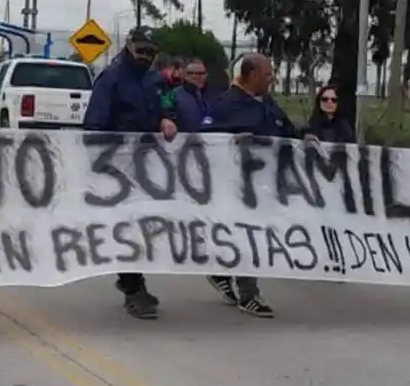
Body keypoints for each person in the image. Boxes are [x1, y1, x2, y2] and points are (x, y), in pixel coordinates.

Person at [81, 27, 178, 319]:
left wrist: (166, 119)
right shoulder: (111, 79)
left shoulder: (152, 79)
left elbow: (166, 105)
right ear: (129, 46)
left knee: (145, 227)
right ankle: (133, 288)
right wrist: (103, 164)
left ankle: (133, 282)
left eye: (151, 52)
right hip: (118, 169)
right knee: (129, 228)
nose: (146, 57)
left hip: (147, 166)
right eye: (142, 51)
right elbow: (94, 125)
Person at [198, 53, 298, 317]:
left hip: (266, 186)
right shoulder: (226, 104)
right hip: (237, 188)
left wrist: (307, 137)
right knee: (248, 236)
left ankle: (220, 272)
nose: (273, 79)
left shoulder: (268, 103)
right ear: (252, 75)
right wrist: (231, 140)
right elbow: (203, 139)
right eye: (268, 74)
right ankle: (248, 294)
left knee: (253, 236)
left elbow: (288, 132)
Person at [171, 57, 210, 133]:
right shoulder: (175, 95)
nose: (202, 77)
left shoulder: (203, 96)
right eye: (198, 74)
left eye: (204, 73)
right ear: (186, 75)